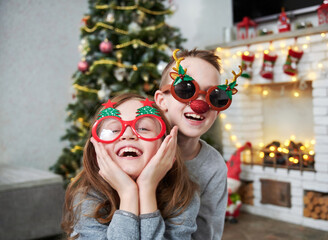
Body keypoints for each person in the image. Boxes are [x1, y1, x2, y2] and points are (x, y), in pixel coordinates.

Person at [62, 93, 199, 240]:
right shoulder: (86, 198)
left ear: (166, 144)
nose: (128, 135)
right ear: (96, 147)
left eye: (144, 128)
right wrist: (128, 193)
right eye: (114, 130)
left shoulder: (183, 197)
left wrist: (147, 187)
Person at [155, 49, 241, 239]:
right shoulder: (134, 151)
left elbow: (207, 234)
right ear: (161, 101)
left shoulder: (214, 166)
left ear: (217, 111)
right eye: (186, 89)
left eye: (215, 96)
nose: (200, 104)